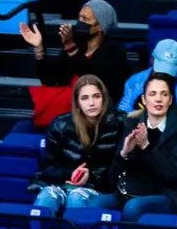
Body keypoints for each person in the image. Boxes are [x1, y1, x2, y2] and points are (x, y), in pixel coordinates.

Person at [112, 75, 177, 219]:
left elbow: (175, 176)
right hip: (132, 189)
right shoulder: (132, 125)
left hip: (169, 195)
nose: (158, 99)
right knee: (95, 204)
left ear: (171, 100)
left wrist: (146, 147)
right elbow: (112, 177)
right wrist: (124, 154)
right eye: (152, 94)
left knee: (133, 207)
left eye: (164, 94)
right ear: (144, 99)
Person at [31, 75, 120, 215]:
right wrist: (72, 173)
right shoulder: (60, 125)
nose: (91, 103)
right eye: (85, 98)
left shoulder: (118, 125)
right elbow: (48, 167)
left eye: (96, 96)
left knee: (77, 197)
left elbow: (117, 169)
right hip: (62, 183)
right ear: (77, 102)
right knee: (47, 196)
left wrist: (89, 175)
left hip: (98, 187)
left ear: (104, 98)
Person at [21, 0, 125, 94]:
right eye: (79, 17)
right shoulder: (77, 42)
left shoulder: (114, 50)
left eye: (86, 19)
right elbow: (50, 78)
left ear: (101, 27)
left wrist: (70, 46)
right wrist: (39, 48)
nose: (80, 22)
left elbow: (93, 79)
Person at [116, 39, 177, 120]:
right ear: (152, 59)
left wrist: (170, 116)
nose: (165, 74)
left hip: (176, 128)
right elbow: (123, 110)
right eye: (162, 68)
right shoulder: (136, 81)